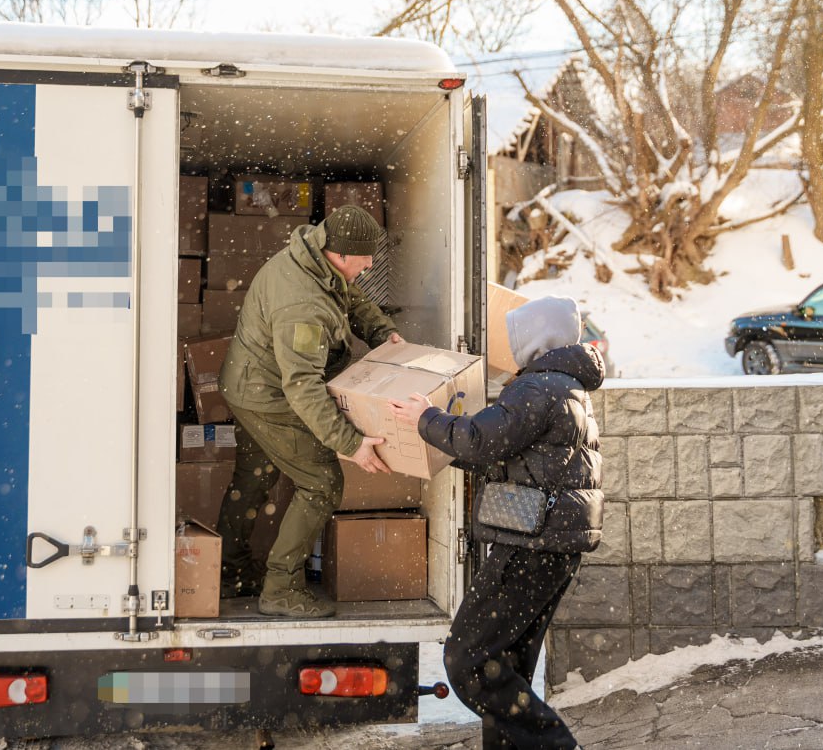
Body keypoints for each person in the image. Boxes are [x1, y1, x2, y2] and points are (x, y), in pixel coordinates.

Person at [389, 295, 604, 750]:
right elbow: (515, 455)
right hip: (553, 548)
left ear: (536, 337)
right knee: (504, 666)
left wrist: (424, 418)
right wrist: (455, 447)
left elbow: (480, 439)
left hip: (530, 546)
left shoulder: (539, 387)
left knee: (467, 660)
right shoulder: (567, 387)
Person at [216, 204, 400, 618]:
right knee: (321, 482)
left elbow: (350, 298)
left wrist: (383, 334)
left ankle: (229, 571)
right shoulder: (302, 305)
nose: (370, 264)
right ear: (340, 252)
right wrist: (351, 444)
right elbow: (301, 386)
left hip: (248, 384)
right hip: (267, 397)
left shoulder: (314, 260)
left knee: (255, 475)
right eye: (365, 256)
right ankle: (281, 589)